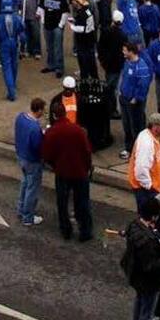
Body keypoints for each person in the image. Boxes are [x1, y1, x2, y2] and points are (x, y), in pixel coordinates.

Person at [41, 99, 95, 242]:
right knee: (83, 202)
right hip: (80, 172)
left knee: (62, 202)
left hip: (62, 173)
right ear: (65, 113)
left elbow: (47, 155)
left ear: (54, 116)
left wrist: (55, 165)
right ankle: (85, 231)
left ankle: (66, 230)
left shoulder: (52, 132)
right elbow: (87, 151)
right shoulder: (78, 130)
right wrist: (87, 167)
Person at [14, 96, 46, 226]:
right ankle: (28, 217)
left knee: (25, 183)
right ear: (38, 110)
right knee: (32, 189)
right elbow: (38, 147)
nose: (43, 113)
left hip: (21, 156)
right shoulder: (34, 128)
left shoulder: (20, 118)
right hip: (32, 161)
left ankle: (21, 209)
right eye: (43, 110)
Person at [130, 113, 160, 215]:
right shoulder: (147, 143)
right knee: (148, 216)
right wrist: (148, 186)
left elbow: (152, 158)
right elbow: (141, 167)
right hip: (146, 189)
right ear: (155, 126)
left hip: (148, 186)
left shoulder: (148, 136)